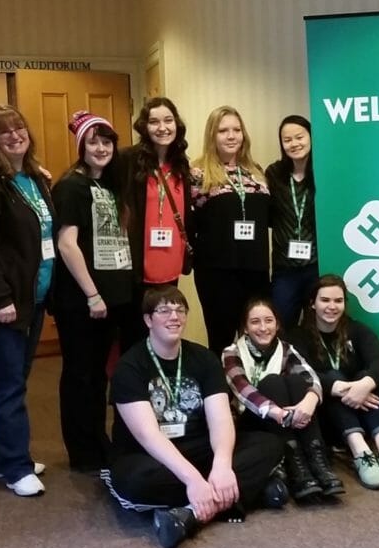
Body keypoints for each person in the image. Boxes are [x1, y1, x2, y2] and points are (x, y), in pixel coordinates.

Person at [104, 286, 286, 548]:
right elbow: (148, 436)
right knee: (134, 483)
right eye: (164, 310)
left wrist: (222, 465)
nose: (174, 316)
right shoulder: (129, 367)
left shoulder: (204, 359)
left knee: (269, 445)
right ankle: (244, 493)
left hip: (199, 448)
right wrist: (192, 479)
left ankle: (188, 514)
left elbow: (221, 418)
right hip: (149, 456)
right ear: (147, 320)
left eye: (180, 310)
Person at [0, 105, 53, 498]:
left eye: (19, 127)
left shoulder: (34, 177)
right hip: (4, 303)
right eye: (4, 131)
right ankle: (16, 466)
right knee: (6, 386)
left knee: (11, 381)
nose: (15, 135)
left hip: (33, 298)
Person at [52, 111, 132, 474]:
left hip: (111, 297)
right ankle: (82, 451)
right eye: (93, 142)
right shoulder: (72, 186)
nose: (101, 148)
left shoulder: (109, 185)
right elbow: (67, 244)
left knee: (99, 374)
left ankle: (98, 440)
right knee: (80, 375)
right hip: (82, 299)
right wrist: (92, 294)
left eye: (107, 141)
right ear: (81, 146)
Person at [290, 275, 379, 491]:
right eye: (325, 300)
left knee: (366, 378)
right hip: (328, 418)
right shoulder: (298, 336)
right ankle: (361, 453)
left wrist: (363, 386)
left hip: (364, 411)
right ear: (312, 303)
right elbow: (301, 371)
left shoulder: (358, 330)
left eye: (338, 300)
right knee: (335, 378)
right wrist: (338, 388)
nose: (332, 306)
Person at [222, 299, 345, 501]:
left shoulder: (286, 348)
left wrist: (309, 402)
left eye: (269, 321)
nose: (263, 328)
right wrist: (278, 413)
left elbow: (311, 377)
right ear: (245, 327)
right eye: (255, 322)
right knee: (272, 382)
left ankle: (317, 463)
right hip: (252, 421)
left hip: (287, 419)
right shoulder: (231, 352)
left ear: (277, 324)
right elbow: (243, 390)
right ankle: (296, 467)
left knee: (298, 383)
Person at [190, 106, 271, 354]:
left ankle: (254, 390)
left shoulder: (256, 171)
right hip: (217, 272)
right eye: (223, 130)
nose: (231, 136)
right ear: (212, 135)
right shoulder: (197, 173)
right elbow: (187, 223)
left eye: (236, 130)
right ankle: (221, 392)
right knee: (222, 338)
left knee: (256, 338)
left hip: (255, 269)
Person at [120, 97, 192, 348]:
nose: (162, 127)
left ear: (177, 124)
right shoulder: (128, 159)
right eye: (154, 122)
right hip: (138, 268)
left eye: (168, 120)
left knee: (164, 335)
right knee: (135, 336)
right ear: (144, 126)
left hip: (170, 264)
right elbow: (93, 169)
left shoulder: (182, 165)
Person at [266, 115, 319, 329]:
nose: (294, 143)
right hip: (284, 266)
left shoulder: (323, 172)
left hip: (317, 264)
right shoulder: (274, 173)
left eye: (299, 137)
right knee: (281, 323)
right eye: (287, 140)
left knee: (316, 324)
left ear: (311, 137)